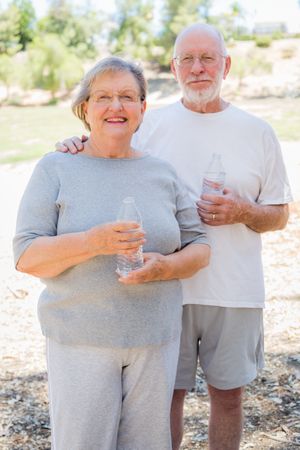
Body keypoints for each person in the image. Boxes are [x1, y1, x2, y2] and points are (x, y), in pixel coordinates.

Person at [55, 24, 293, 450]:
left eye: (208, 58)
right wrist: (76, 143)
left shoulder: (257, 131)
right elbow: (106, 147)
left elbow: (278, 215)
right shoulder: (151, 123)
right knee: (163, 401)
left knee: (229, 398)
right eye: (188, 59)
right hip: (163, 289)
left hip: (235, 291)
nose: (198, 68)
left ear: (227, 65)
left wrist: (243, 210)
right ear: (174, 66)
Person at [13, 56, 210, 450]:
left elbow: (201, 246)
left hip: (155, 339)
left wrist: (165, 267)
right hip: (80, 340)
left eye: (127, 97)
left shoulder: (162, 173)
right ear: (86, 108)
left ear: (142, 109)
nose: (115, 107)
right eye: (103, 97)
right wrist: (92, 243)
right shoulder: (56, 167)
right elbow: (26, 256)